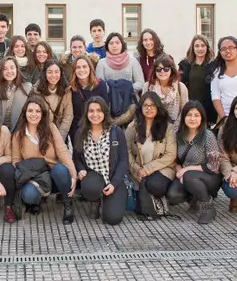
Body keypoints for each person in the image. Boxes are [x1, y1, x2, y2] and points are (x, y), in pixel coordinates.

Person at [12, 96, 78, 224]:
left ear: (43, 113)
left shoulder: (51, 128)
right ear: (25, 113)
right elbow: (15, 160)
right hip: (35, 177)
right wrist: (28, 175)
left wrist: (74, 175)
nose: (34, 114)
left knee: (60, 169)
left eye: (38, 111)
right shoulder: (18, 135)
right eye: (30, 111)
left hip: (53, 175)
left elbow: (63, 151)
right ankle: (36, 202)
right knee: (29, 195)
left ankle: (68, 205)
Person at [73, 97, 129, 225]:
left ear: (105, 112)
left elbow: (123, 160)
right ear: (86, 113)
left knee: (112, 219)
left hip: (114, 178)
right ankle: (96, 200)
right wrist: (80, 168)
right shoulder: (81, 132)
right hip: (94, 176)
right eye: (91, 111)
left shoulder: (116, 132)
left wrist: (114, 183)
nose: (95, 114)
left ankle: (110, 200)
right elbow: (76, 157)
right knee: (90, 189)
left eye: (99, 110)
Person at [165, 101, 221, 225]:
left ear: (202, 118)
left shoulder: (208, 135)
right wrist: (179, 169)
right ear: (184, 117)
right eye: (189, 115)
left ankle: (208, 207)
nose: (193, 118)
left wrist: (186, 169)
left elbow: (214, 166)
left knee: (190, 175)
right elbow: (175, 159)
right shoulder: (178, 136)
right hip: (186, 176)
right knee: (173, 195)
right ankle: (194, 198)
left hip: (209, 176)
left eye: (197, 115)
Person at [125, 92, 176, 221]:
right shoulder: (132, 127)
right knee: (138, 207)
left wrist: (147, 169)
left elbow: (171, 154)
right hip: (139, 171)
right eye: (145, 105)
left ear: (158, 107)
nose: (149, 108)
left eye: (153, 105)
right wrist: (137, 170)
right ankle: (152, 205)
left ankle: (158, 201)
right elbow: (127, 153)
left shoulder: (167, 127)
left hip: (161, 169)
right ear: (140, 108)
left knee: (154, 184)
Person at [0, 56, 33, 131]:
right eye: (5, 69)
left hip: (20, 130)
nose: (9, 71)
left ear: (17, 69)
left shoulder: (27, 87)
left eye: (12, 67)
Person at [142, 55, 188, 133]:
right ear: (155, 71)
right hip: (153, 129)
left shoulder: (181, 87)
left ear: (172, 70)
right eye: (159, 69)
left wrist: (174, 129)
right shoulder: (148, 86)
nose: (162, 72)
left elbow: (184, 111)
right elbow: (143, 108)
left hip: (175, 130)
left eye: (166, 69)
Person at [70, 54, 110, 140]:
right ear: (74, 70)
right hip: (78, 130)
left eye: (84, 66)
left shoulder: (100, 85)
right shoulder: (71, 88)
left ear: (90, 68)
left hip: (97, 128)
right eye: (78, 67)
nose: (81, 70)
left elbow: (105, 110)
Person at [179, 35, 217, 124]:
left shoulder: (213, 66)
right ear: (192, 48)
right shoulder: (185, 65)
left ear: (207, 47)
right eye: (197, 46)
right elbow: (180, 86)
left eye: (203, 45)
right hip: (190, 107)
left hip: (208, 108)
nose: (200, 49)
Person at [33, 60, 73, 142]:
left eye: (56, 72)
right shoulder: (37, 91)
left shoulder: (66, 91)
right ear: (45, 74)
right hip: (41, 135)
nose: (53, 75)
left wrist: (60, 138)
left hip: (60, 133)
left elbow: (68, 117)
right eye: (50, 72)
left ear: (61, 73)